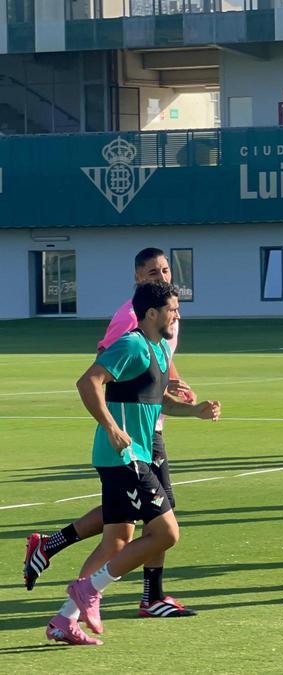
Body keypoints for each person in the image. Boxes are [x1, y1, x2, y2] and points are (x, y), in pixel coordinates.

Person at [24, 248, 200, 619]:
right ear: (138, 278)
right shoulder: (132, 322)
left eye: (165, 270)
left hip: (144, 430)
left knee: (123, 528)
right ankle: (120, 594)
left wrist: (179, 392)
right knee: (159, 523)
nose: (162, 277)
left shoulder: (161, 322)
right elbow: (101, 371)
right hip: (130, 442)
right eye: (153, 272)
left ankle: (67, 607)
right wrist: (113, 426)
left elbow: (157, 366)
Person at [46, 281, 221, 646]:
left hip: (132, 455)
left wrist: (195, 411)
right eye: (173, 310)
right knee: (167, 533)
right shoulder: (132, 345)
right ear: (152, 313)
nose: (177, 316)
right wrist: (111, 427)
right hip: (124, 457)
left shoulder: (158, 350)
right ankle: (89, 589)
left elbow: (156, 403)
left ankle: (65, 619)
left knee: (117, 541)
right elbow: (88, 382)